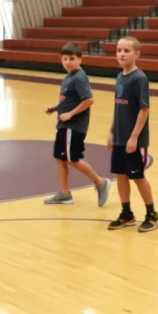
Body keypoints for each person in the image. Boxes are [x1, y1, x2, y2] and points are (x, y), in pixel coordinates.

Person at [44, 42, 111, 206]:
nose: (68, 62)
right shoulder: (69, 77)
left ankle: (101, 182)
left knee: (72, 158)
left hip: (73, 126)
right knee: (59, 158)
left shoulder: (79, 77)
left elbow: (89, 100)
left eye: (72, 58)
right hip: (64, 125)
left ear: (80, 59)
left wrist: (70, 114)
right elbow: (68, 100)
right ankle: (65, 194)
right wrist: (56, 108)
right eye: (65, 59)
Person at [107, 36, 158, 233]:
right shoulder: (120, 77)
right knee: (120, 175)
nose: (121, 53)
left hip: (134, 140)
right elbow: (117, 107)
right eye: (119, 50)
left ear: (137, 54)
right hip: (120, 137)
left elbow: (144, 109)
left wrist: (134, 137)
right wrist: (112, 131)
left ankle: (152, 214)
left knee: (137, 177)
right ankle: (127, 213)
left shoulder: (139, 79)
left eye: (126, 50)